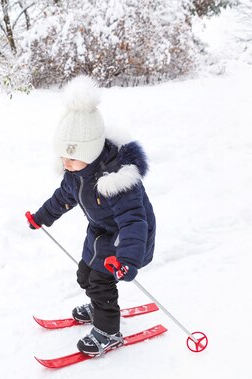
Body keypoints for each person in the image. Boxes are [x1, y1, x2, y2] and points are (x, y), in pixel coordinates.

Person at [27, 75, 156, 357]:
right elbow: (63, 198)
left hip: (125, 238)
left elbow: (135, 221)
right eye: (62, 157)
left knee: (100, 280)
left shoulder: (118, 180)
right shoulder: (76, 173)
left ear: (91, 151)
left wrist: (128, 259)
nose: (66, 164)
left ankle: (108, 331)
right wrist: (41, 217)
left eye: (71, 158)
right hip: (99, 231)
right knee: (85, 275)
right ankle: (98, 304)